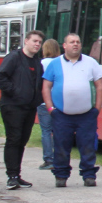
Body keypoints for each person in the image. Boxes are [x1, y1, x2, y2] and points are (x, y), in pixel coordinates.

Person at [43, 33, 102, 188]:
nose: (75, 44)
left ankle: (89, 175)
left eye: (78, 42)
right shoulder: (55, 64)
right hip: (62, 115)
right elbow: (46, 87)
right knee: (61, 146)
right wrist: (51, 108)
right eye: (71, 42)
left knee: (88, 146)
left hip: (86, 115)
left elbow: (100, 86)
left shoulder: (91, 62)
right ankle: (61, 175)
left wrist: (96, 109)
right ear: (64, 46)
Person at [0, 30, 45, 190]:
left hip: (29, 107)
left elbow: (39, 83)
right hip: (12, 106)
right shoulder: (14, 57)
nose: (37, 44)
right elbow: (1, 77)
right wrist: (15, 93)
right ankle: (11, 176)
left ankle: (17, 174)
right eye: (34, 41)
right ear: (26, 41)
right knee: (14, 138)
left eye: (39, 42)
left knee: (22, 141)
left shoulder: (37, 62)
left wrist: (37, 99)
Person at [36, 38, 60, 171]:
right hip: (58, 101)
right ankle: (59, 158)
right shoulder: (60, 63)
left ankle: (48, 159)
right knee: (58, 131)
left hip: (44, 102)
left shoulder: (41, 63)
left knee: (46, 131)